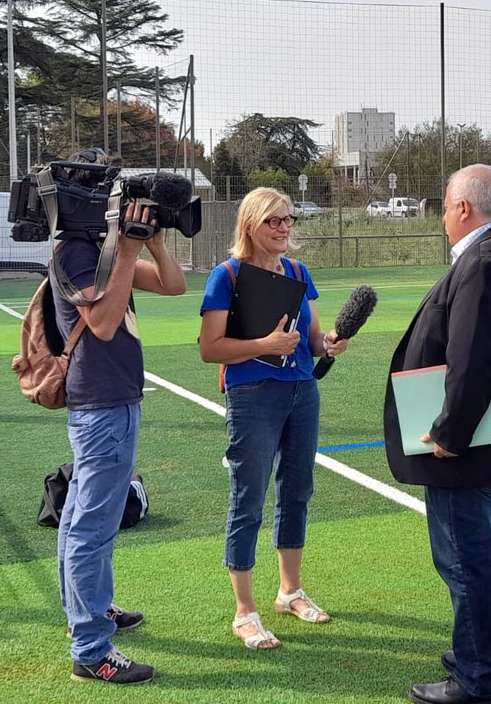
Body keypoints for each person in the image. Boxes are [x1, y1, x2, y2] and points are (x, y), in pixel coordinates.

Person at [383, 165, 491, 704]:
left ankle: (478, 680)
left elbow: (473, 358)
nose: (442, 217)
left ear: (462, 208)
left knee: (468, 562)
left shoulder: (483, 261)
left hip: (470, 448)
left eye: (445, 207)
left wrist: (449, 431)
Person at [52, 149, 186, 685]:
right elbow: (103, 325)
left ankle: (89, 612)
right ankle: (90, 648)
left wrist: (150, 240)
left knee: (84, 517)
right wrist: (126, 251)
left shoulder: (101, 249)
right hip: (102, 404)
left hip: (114, 399)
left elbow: (174, 285)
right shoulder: (75, 254)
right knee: (92, 523)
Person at [199, 187, 348, 650]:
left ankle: (289, 592)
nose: (284, 229)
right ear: (251, 225)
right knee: (249, 498)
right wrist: (264, 346)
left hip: (303, 391)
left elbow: (313, 336)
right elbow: (209, 348)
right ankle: (245, 611)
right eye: (274, 221)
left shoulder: (299, 272)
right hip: (252, 395)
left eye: (288, 221)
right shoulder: (226, 275)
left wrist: (328, 344)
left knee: (297, 489)